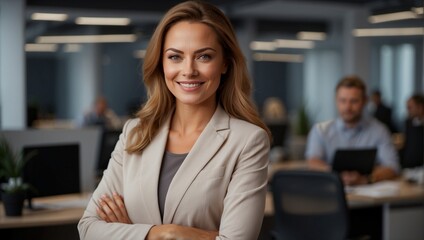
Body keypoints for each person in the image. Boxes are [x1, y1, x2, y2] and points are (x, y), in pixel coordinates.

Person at [78, 1, 271, 240]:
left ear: (225, 64)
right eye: (175, 57)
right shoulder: (135, 132)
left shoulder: (247, 141)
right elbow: (88, 228)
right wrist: (164, 233)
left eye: (204, 56)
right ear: (161, 63)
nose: (188, 70)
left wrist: (129, 231)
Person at [305, 75, 399, 186]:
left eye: (354, 101)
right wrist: (337, 175)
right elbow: (312, 161)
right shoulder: (320, 130)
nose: (347, 107)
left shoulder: (380, 130)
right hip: (330, 194)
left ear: (365, 101)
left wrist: (367, 179)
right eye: (342, 101)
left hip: (369, 196)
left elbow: (392, 167)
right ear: (336, 100)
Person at [401, 93, 424, 168]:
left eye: (410, 108)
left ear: (420, 107)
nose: (408, 111)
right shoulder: (408, 122)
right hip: (409, 167)